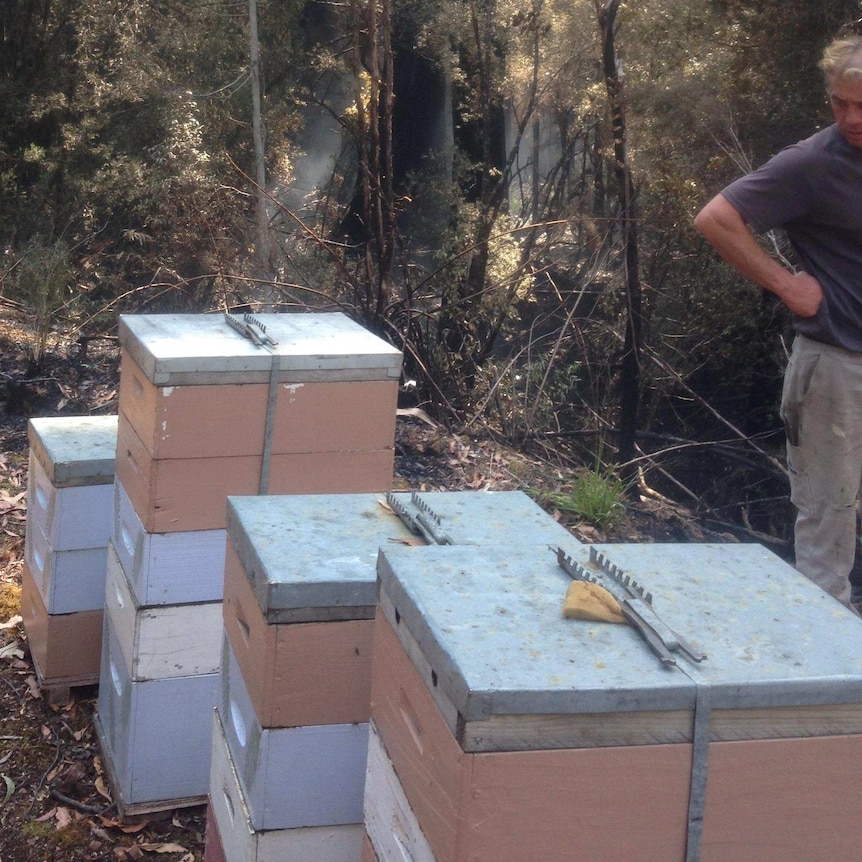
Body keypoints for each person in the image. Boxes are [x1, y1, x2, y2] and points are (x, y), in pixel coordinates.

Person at [694, 33, 862, 610]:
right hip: (838, 365)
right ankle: (826, 679)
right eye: (840, 103)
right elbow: (717, 218)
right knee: (828, 518)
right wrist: (788, 285)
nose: (850, 117)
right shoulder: (812, 164)